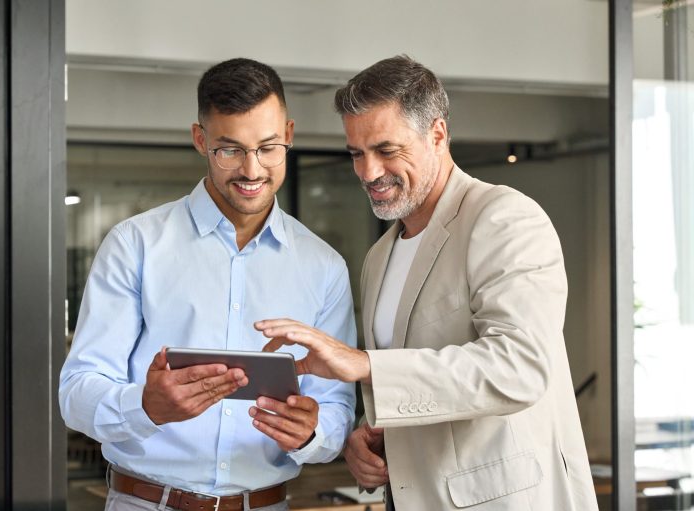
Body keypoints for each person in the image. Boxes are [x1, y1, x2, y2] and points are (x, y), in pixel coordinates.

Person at [256, 55, 598, 510]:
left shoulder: (502, 217)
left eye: (386, 150)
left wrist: (365, 365)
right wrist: (371, 442)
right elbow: (420, 396)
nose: (368, 172)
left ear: (437, 134)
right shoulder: (379, 257)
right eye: (357, 153)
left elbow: (520, 368)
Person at [59, 58, 356, 511]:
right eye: (230, 150)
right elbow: (77, 392)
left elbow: (336, 409)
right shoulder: (135, 245)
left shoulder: (325, 266)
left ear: (289, 135)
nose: (252, 170)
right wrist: (146, 405)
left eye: (268, 147)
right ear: (201, 139)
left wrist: (314, 433)